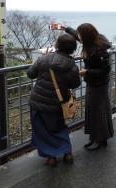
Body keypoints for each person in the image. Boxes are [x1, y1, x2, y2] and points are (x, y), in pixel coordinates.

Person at [53, 23, 114, 150]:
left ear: (86, 35)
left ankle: (101, 139)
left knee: (98, 111)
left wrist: (86, 72)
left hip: (99, 84)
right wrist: (65, 28)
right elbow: (76, 35)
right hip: (93, 82)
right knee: (92, 109)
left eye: (80, 34)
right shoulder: (91, 41)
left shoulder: (99, 49)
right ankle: (95, 137)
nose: (78, 36)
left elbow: (105, 70)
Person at [27, 34, 81, 167]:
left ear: (57, 45)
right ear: (73, 49)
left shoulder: (44, 59)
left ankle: (51, 157)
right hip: (59, 103)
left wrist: (43, 58)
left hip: (39, 102)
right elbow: (75, 84)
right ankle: (67, 152)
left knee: (42, 129)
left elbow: (30, 74)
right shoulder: (72, 67)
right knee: (60, 127)